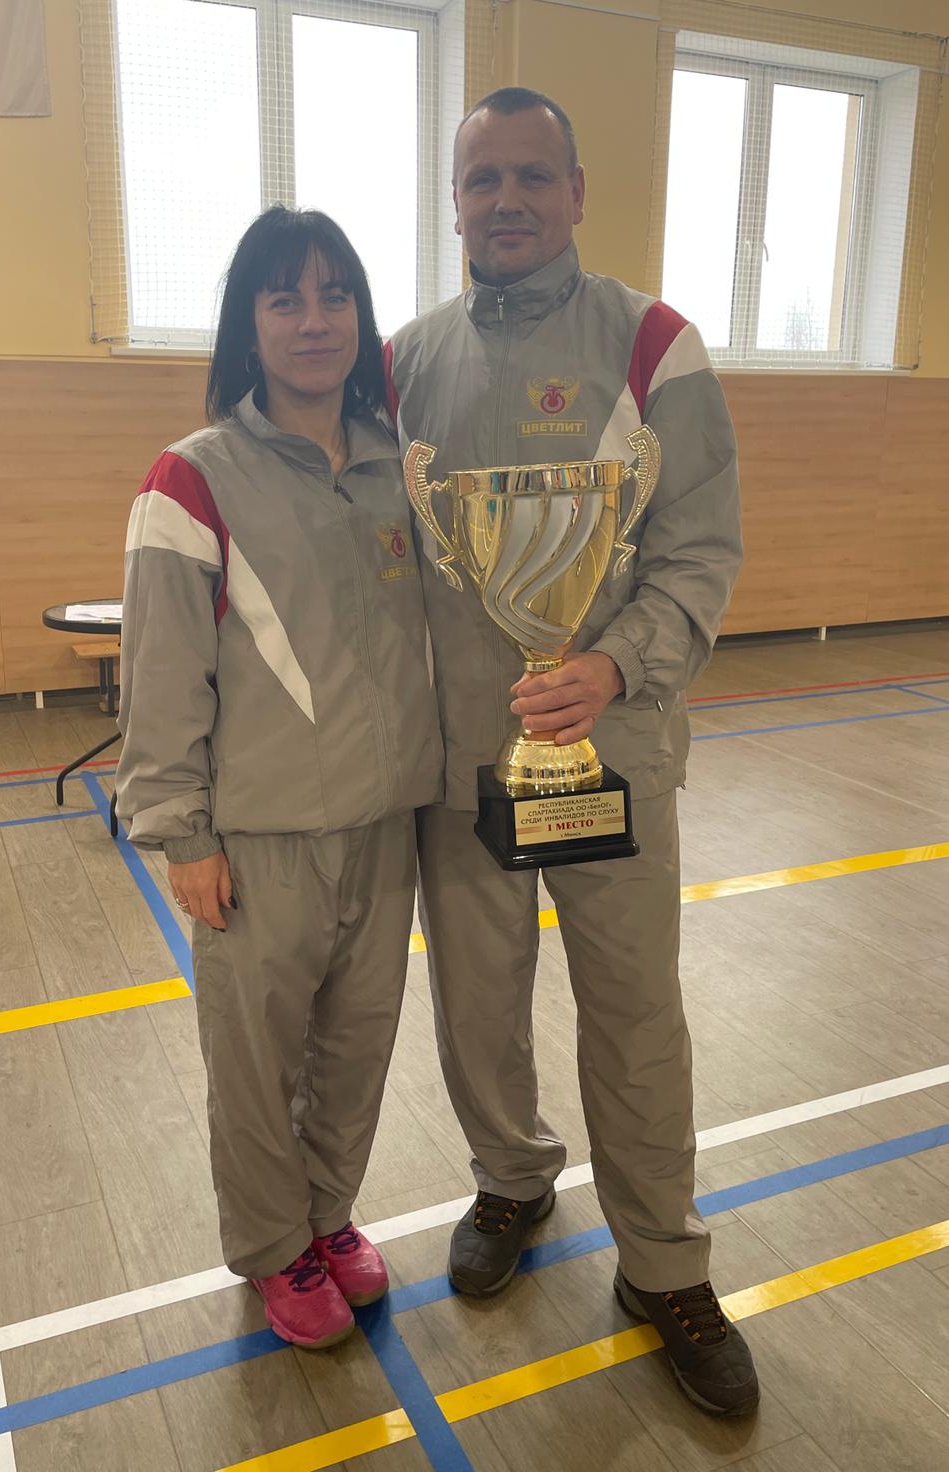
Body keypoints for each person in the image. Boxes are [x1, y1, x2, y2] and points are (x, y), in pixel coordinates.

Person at [385, 88, 759, 1415]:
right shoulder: (400, 364)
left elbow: (700, 552)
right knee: (476, 1003)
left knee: (637, 1010)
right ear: (454, 201)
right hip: (464, 770)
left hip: (617, 752)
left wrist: (613, 666)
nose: (507, 201)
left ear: (579, 192)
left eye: (533, 176)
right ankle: (512, 1180)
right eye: (482, 178)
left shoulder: (657, 346)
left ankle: (664, 1263)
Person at [115, 206, 443, 1350]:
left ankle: (329, 1214)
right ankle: (272, 1244)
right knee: (256, 1062)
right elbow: (163, 673)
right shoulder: (191, 478)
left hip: (386, 824)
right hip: (259, 838)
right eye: (285, 298)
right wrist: (183, 832)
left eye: (335, 295)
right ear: (247, 325)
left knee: (356, 1046)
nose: (315, 321)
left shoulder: (402, 470)